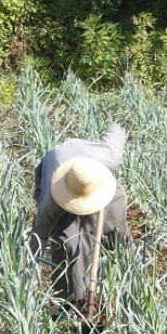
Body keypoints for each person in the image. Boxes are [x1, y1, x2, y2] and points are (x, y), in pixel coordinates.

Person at [30, 123, 133, 304]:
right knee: (68, 242)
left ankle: (124, 282)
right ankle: (72, 301)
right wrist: (29, 272)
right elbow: (39, 234)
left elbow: (116, 130)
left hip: (94, 174)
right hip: (61, 170)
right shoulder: (53, 199)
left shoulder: (110, 158)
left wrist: (115, 124)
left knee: (115, 227)